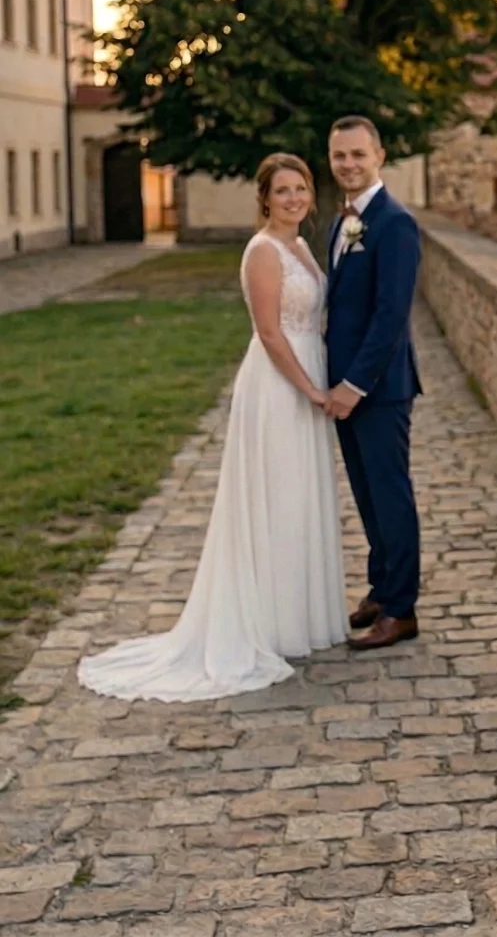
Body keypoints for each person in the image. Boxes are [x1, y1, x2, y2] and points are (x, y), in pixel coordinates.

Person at [78, 154, 348, 702]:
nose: (295, 198)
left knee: (299, 498)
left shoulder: (299, 245)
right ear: (265, 199)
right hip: (279, 385)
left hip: (308, 369)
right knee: (274, 498)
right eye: (283, 190)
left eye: (301, 188)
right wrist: (311, 390)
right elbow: (271, 335)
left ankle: (298, 618)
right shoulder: (262, 251)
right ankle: (265, 624)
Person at [323, 115, 423, 650]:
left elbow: (391, 316)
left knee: (391, 495)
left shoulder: (394, 223)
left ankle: (402, 609)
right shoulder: (344, 221)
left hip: (379, 390)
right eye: (340, 156)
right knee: (366, 495)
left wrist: (353, 384)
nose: (349, 164)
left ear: (379, 155)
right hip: (346, 387)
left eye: (358, 154)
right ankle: (382, 588)